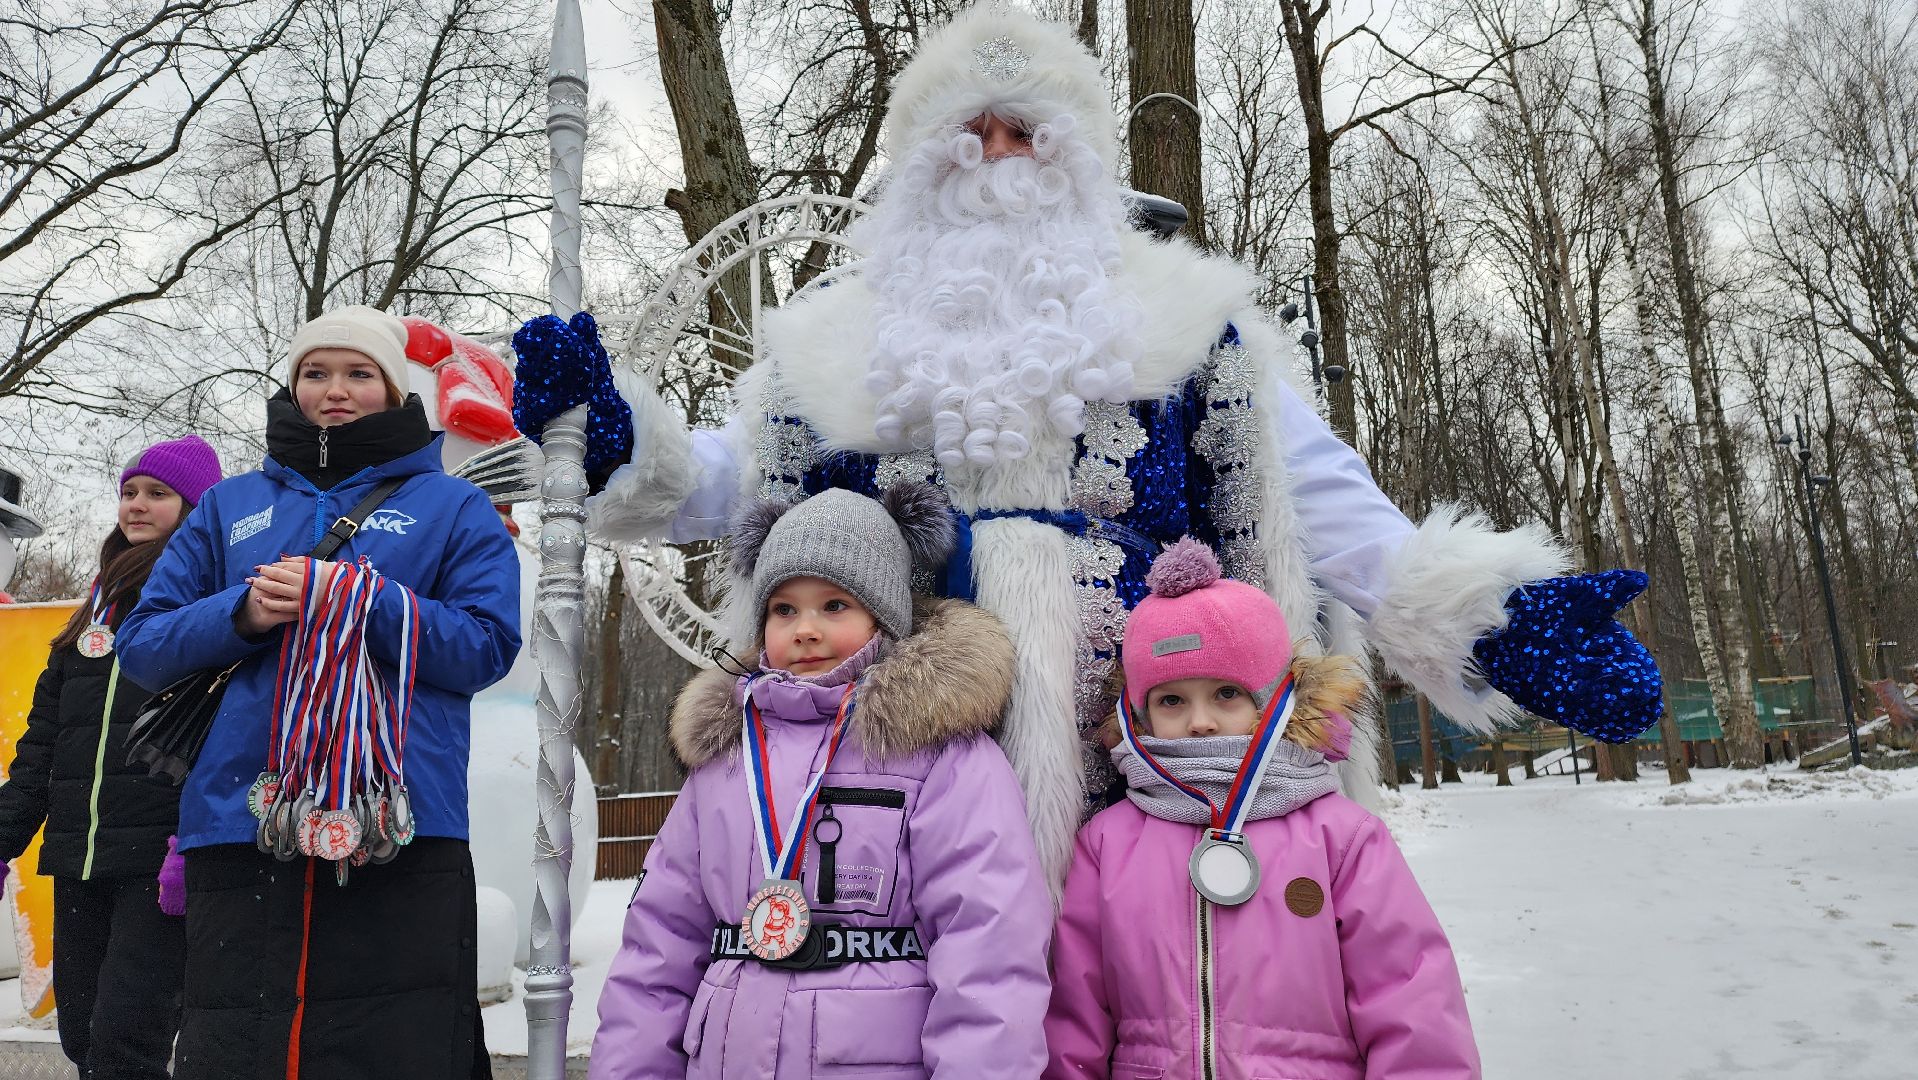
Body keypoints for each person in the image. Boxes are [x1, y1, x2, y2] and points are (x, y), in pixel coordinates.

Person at [510, 8, 1661, 892]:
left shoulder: (1184, 320)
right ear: (917, 161)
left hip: (1155, 733)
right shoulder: (832, 345)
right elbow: (728, 482)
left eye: (1026, 134)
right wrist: (614, 440)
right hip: (905, 749)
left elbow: (1308, 496)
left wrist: (1490, 618)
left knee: (1145, 1003)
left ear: (1078, 161)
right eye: (969, 134)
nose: (998, 158)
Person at [117, 306, 521, 1080]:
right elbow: (143, 645)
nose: (335, 390)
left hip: (399, 816)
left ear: (394, 389)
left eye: (359, 373)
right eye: (316, 372)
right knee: (238, 1046)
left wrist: (364, 600)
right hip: (240, 819)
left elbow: (485, 646)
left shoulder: (454, 505)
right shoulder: (228, 507)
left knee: (393, 1047)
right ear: (294, 384)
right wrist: (243, 611)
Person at [591, 483, 1052, 1078]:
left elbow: (989, 948)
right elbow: (658, 942)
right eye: (785, 609)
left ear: (884, 618)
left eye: (835, 606)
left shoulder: (941, 752)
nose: (805, 629)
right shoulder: (725, 759)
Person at [1045, 539, 1479, 1079]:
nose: (1199, 720)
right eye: (1171, 700)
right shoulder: (1109, 843)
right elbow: (1075, 1015)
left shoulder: (1340, 837)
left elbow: (1410, 1000)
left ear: (1273, 699)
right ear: (1140, 714)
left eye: (1226, 692)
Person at [0, 436, 221, 1078]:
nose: (137, 506)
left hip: (158, 864)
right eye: (129, 493)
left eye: (158, 494)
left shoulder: (207, 604)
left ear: (195, 507)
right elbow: (43, 747)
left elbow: (223, 737)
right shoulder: (89, 615)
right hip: (78, 860)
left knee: (128, 1042)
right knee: (81, 1035)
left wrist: (194, 840)